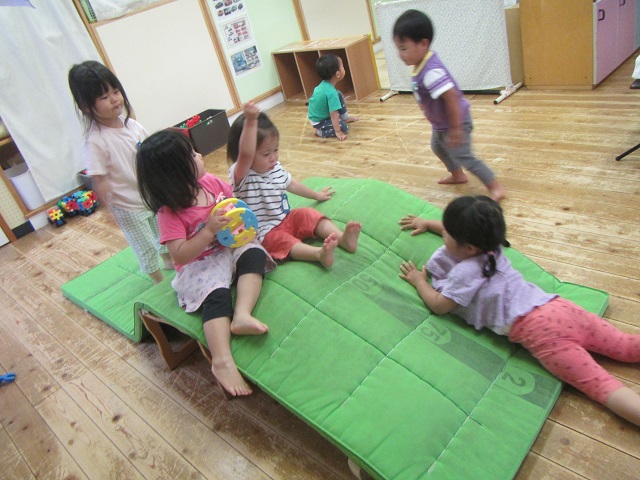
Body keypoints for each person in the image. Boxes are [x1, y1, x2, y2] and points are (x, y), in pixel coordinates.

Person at [398, 195, 640, 426]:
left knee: (602, 386)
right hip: (560, 307)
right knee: (625, 344)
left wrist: (419, 281)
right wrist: (427, 222)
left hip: (542, 332)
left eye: (446, 232)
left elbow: (439, 305)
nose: (443, 233)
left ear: (469, 247)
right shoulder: (491, 245)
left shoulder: (464, 273)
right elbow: (456, 231)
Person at [136, 130, 276, 397]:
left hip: (225, 249)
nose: (199, 155)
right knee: (216, 293)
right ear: (175, 174)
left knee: (254, 253)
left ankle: (242, 314)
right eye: (191, 155)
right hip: (197, 265)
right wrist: (209, 230)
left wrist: (245, 227)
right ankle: (221, 360)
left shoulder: (209, 183)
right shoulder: (169, 213)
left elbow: (235, 205)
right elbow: (180, 255)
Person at [68, 60, 172, 285]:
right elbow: (99, 179)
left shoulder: (132, 126)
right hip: (126, 205)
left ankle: (168, 261)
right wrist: (109, 207)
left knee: (162, 231)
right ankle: (158, 280)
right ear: (86, 106)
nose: (115, 99)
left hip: (150, 194)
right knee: (144, 246)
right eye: (104, 97)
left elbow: (151, 153)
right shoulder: (96, 140)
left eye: (116, 91)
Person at [228, 102, 361, 267]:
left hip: (286, 218)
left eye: (276, 150)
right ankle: (319, 254)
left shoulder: (274, 168)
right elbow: (246, 154)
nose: (273, 157)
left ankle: (343, 239)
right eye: (266, 153)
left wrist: (316, 195)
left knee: (308, 214)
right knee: (281, 241)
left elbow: (292, 185)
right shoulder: (242, 176)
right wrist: (250, 121)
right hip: (265, 233)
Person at [392, 10, 505, 202]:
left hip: (455, 122)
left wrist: (456, 129)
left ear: (423, 44)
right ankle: (457, 175)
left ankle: (495, 186)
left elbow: (452, 97)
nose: (400, 54)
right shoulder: (420, 64)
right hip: (441, 124)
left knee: (465, 156)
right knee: (438, 147)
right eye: (398, 49)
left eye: (403, 48)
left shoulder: (431, 71)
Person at [307, 54, 359, 141]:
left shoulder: (324, 86)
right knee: (344, 127)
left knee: (339, 94)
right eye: (342, 66)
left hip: (321, 115)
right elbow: (333, 113)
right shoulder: (331, 93)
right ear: (338, 74)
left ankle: (345, 117)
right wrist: (338, 131)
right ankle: (320, 131)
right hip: (319, 121)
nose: (344, 68)